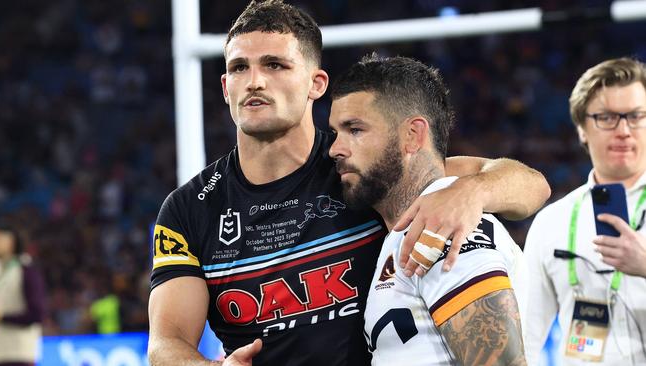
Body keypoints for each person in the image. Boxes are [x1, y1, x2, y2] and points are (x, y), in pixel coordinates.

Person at [147, 1, 549, 365]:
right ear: (225, 87)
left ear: (316, 84)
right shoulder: (189, 209)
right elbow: (165, 345)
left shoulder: (360, 169)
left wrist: (470, 191)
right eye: (239, 67)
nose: (254, 81)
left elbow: (530, 186)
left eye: (275, 65)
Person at [328, 54, 527, 366]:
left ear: (412, 136)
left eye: (354, 129)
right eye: (336, 132)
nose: (335, 148)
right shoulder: (407, 228)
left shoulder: (445, 223)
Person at [524, 57, 646, 365]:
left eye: (636, 116)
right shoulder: (551, 222)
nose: (623, 130)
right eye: (606, 117)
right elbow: (524, 336)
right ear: (581, 129)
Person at [0, 223, 45, 366]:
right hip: (0, 352)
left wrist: (2, 317)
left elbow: (36, 313)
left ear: (12, 241)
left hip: (18, 353)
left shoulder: (26, 271)